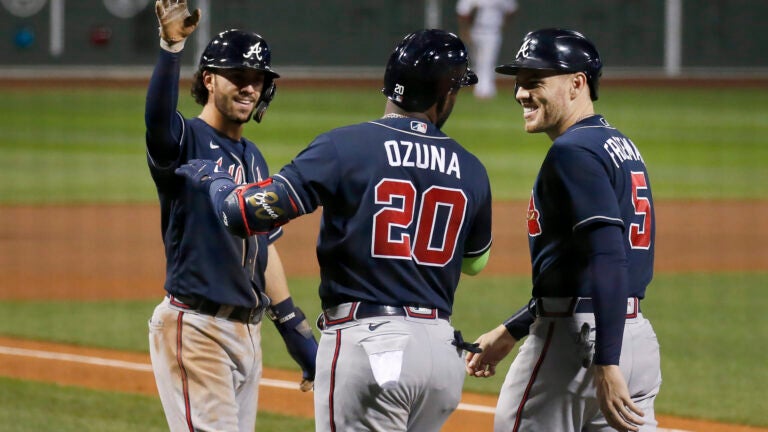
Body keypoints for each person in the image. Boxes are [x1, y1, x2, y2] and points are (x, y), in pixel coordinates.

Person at [177, 29, 493, 432]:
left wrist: (217, 183)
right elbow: (475, 262)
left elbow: (245, 213)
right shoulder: (471, 169)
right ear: (445, 94)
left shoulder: (346, 146)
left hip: (371, 346)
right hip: (442, 358)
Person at [464, 28, 662, 432]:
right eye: (519, 83)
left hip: (577, 348)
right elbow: (579, 267)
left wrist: (606, 363)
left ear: (577, 83)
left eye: (535, 82)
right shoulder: (618, 145)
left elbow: (608, 255)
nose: (520, 93)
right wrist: (511, 329)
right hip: (635, 337)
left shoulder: (572, 152)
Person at [145, 1, 317, 431]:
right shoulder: (185, 139)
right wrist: (171, 46)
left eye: (257, 80)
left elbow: (265, 246)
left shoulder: (253, 156)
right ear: (209, 79)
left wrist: (293, 326)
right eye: (238, 77)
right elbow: (157, 123)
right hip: (197, 328)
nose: (249, 88)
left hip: (247, 333)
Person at [456, 0, 519, 99]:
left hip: (493, 31)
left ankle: (486, 91)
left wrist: (503, 23)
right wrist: (465, 30)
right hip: (475, 30)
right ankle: (481, 88)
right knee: (478, 61)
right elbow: (463, 13)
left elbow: (512, 9)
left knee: (488, 61)